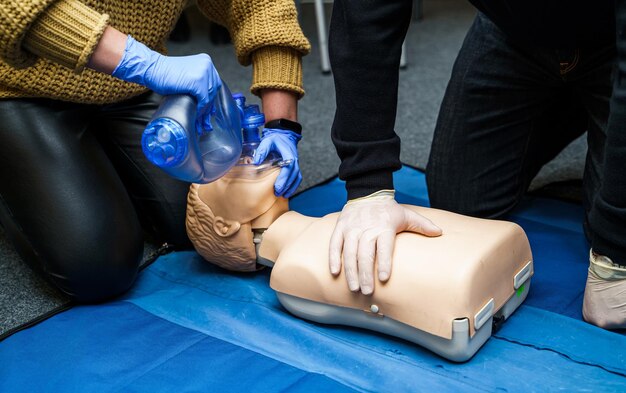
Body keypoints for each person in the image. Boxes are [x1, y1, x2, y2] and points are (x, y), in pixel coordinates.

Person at [327, 0, 625, 329]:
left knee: (608, 232)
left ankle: (605, 114)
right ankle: (580, 108)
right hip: (515, 31)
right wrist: (368, 185)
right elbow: (365, 12)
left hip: (613, 41)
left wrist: (615, 255)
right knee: (460, 202)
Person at [0, 0, 310, 302]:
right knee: (98, 268)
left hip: (128, 83)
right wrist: (147, 64)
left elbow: (261, 7)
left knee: (194, 219)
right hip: (22, 87)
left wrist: (281, 124)